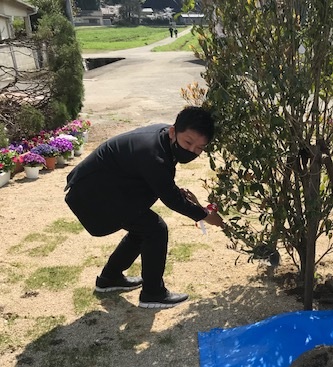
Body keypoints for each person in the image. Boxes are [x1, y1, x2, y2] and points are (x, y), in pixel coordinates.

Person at [64, 106, 224, 308]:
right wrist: (205, 215)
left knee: (143, 228)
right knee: (154, 229)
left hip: (106, 187)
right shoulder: (152, 153)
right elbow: (171, 198)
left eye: (199, 148)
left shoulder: (163, 139)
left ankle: (110, 278)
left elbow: (162, 183)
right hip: (93, 194)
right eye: (188, 142)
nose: (191, 151)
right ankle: (152, 293)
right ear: (174, 131)